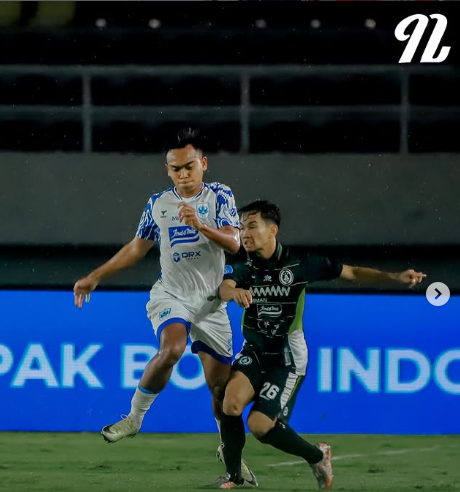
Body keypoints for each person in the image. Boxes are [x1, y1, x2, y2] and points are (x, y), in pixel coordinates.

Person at [73, 128, 258, 487]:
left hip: (212, 304)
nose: (183, 174)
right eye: (176, 169)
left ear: (203, 164)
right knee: (172, 348)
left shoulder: (220, 195)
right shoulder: (158, 204)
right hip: (171, 296)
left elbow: (236, 243)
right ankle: (135, 417)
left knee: (220, 389)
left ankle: (228, 448)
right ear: (168, 170)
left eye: (189, 166)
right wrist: (95, 275)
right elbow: (137, 247)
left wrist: (200, 224)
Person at [209, 200, 427, 490]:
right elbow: (225, 287)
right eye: (242, 227)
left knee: (260, 426)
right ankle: (234, 476)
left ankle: (317, 454)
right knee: (229, 404)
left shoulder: (302, 264)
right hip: (256, 350)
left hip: (287, 357)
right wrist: (233, 291)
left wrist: (394, 277)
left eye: (252, 226)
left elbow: (350, 272)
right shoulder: (242, 265)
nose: (245, 233)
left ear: (272, 229)